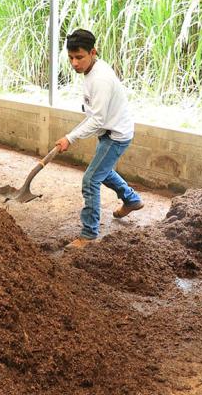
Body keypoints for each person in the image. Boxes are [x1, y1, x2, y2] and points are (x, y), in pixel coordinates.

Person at [55, 29, 144, 250]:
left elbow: (97, 120)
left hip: (116, 135)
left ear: (92, 52)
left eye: (79, 58)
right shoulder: (90, 71)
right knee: (102, 173)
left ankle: (88, 233)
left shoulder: (101, 79)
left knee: (91, 180)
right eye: (70, 58)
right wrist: (70, 136)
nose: (74, 63)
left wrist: (70, 138)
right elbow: (93, 116)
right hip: (109, 131)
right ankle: (131, 199)